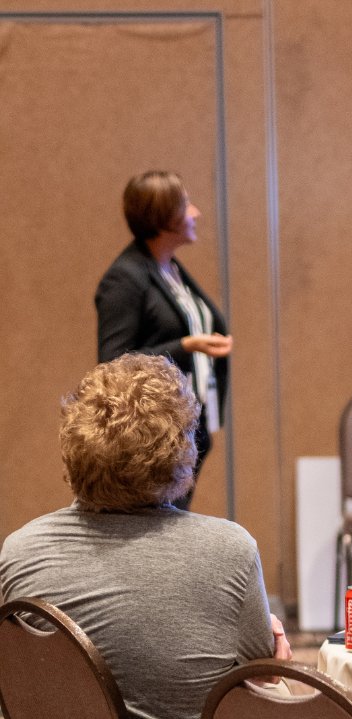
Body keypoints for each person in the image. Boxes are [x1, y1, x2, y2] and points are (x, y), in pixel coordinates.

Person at [0, 354, 288, 719]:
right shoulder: (229, 549)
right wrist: (275, 661)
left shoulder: (19, 551)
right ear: (180, 450)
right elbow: (255, 681)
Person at [95, 170, 233, 507]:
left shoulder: (169, 268)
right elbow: (112, 363)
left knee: (175, 523)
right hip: (154, 435)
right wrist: (187, 346)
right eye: (185, 205)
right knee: (164, 528)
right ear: (162, 217)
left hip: (189, 424)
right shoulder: (124, 279)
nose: (195, 212)